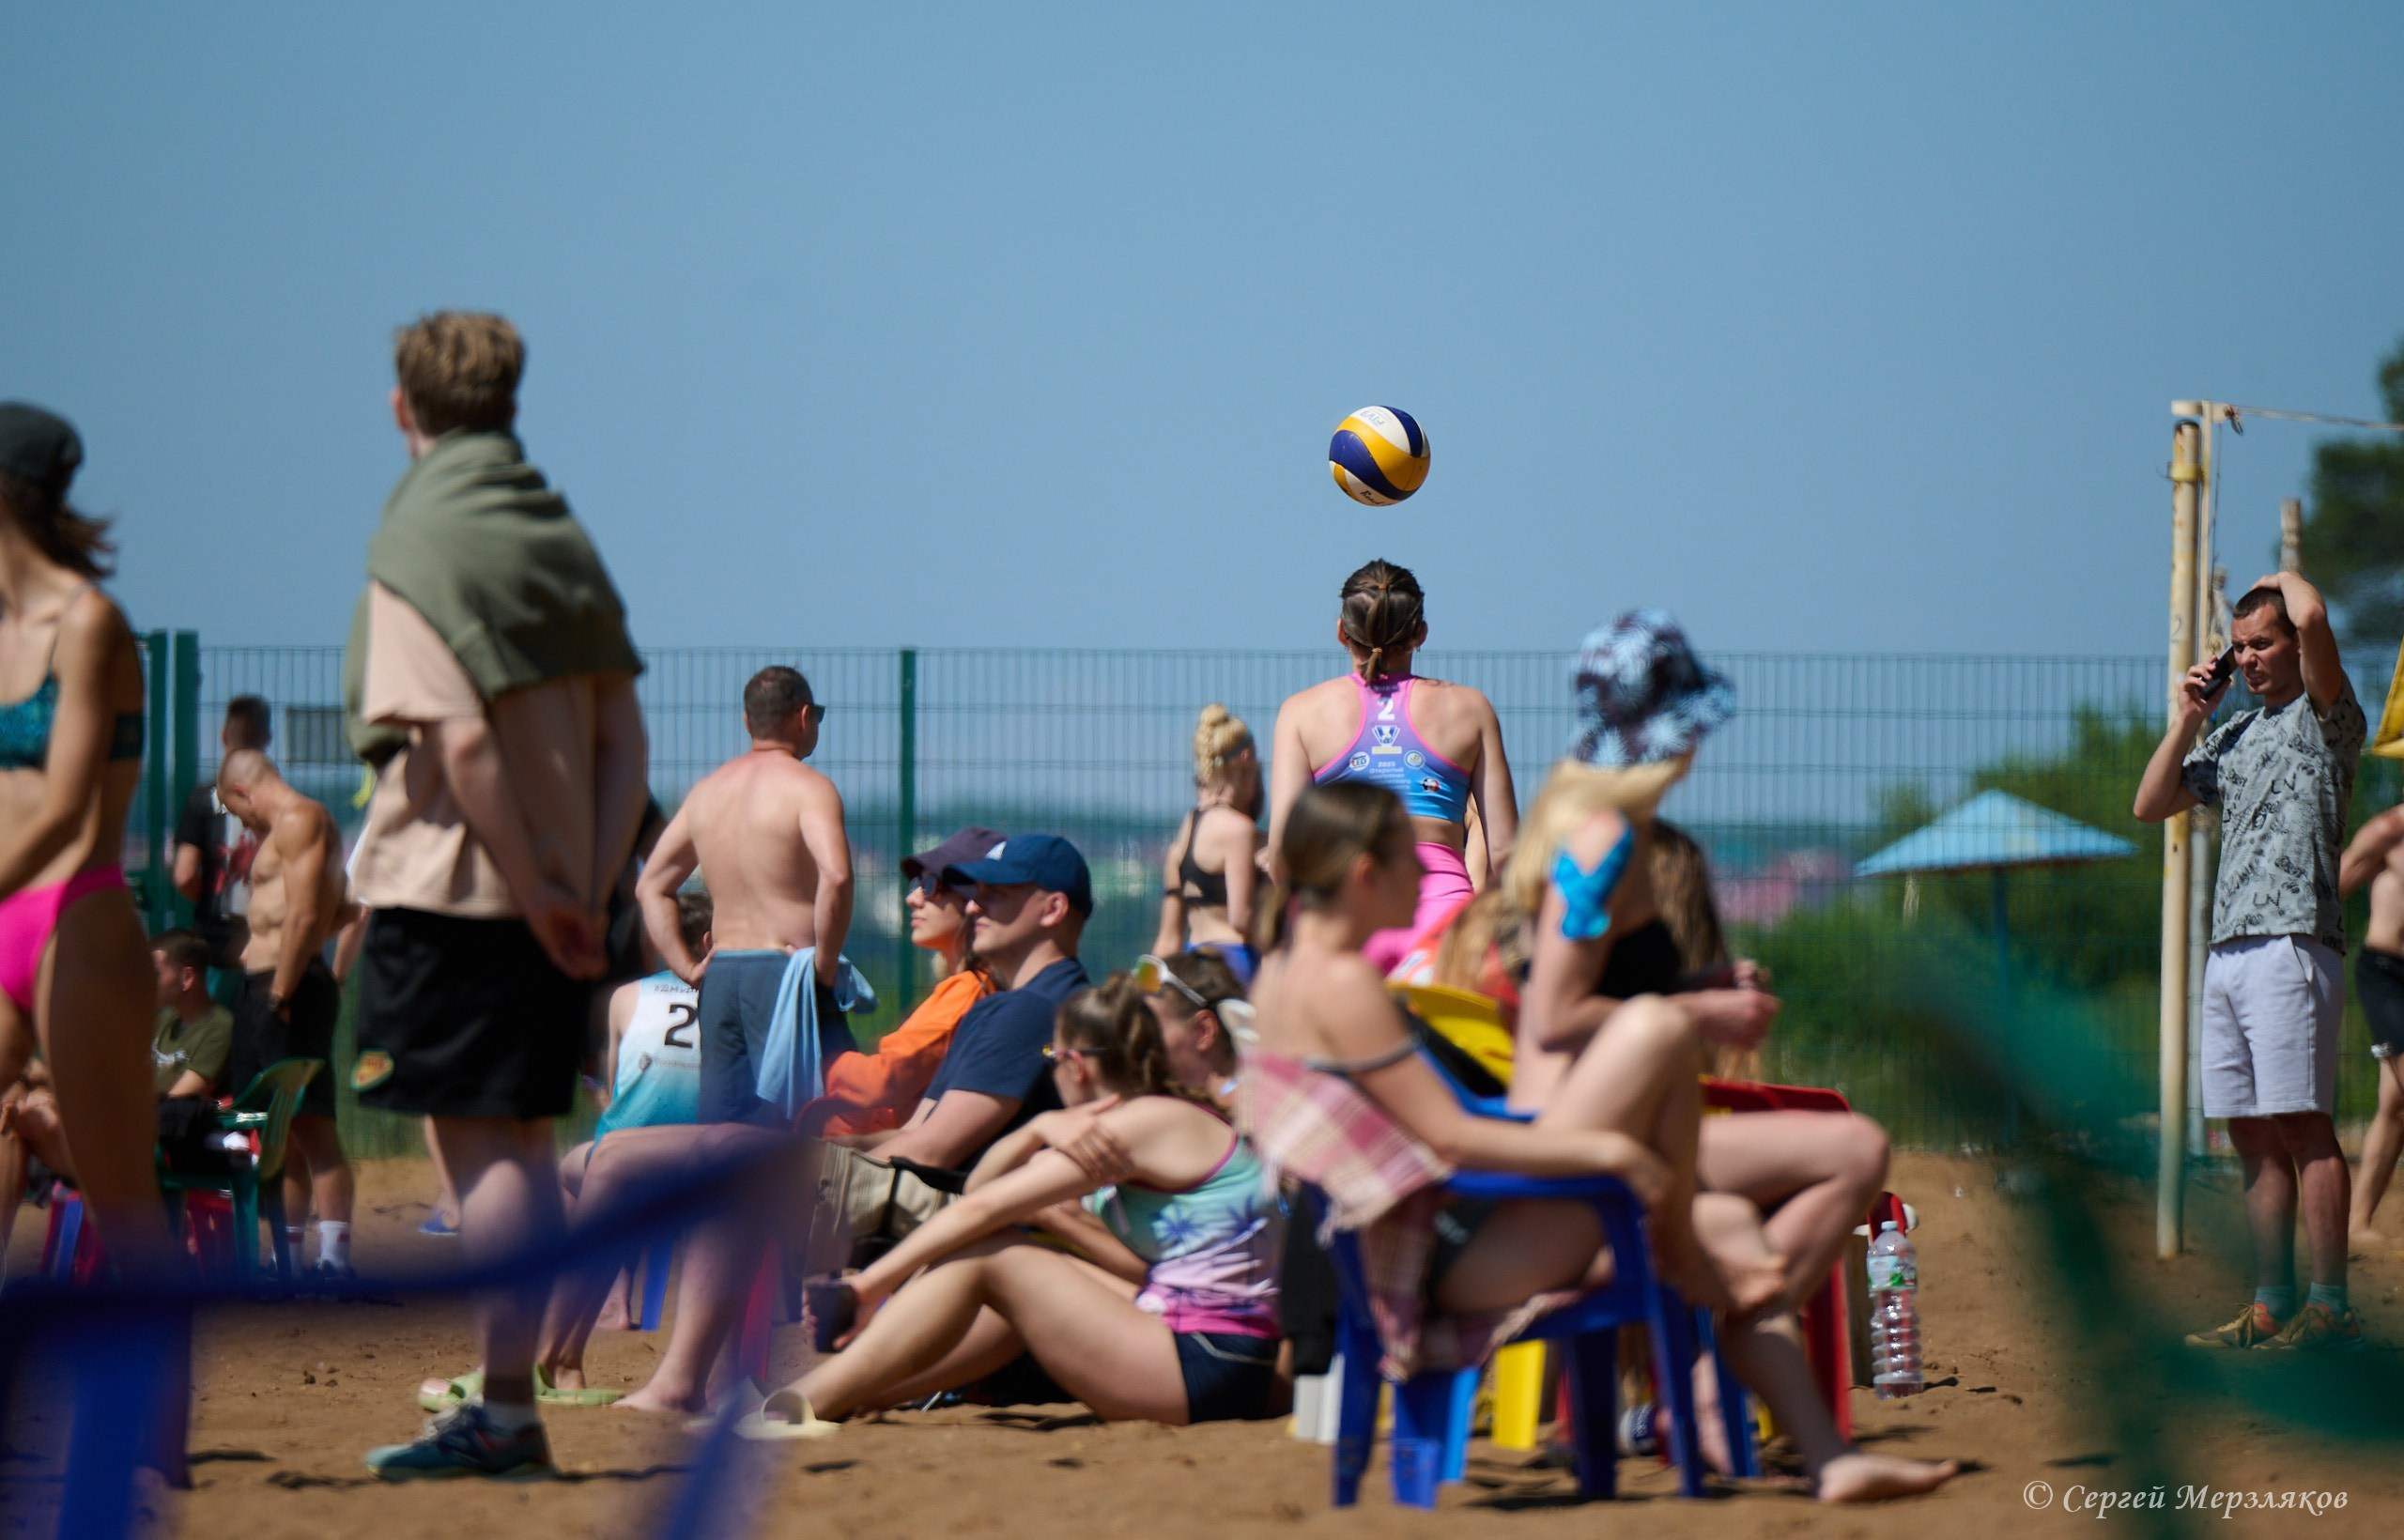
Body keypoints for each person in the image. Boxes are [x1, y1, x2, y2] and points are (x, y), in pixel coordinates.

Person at [1241, 781, 1955, 1503]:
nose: (1429, 873)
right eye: (1411, 859)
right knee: (1660, 1032)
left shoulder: (1282, 974)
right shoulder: (1342, 985)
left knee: (1731, 1224)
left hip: (1443, 1240)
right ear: (1365, 874)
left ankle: (1829, 1459)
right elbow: (1452, 1141)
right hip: (1459, 1253)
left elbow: (1433, 1134)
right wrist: (1616, 1155)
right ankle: (1705, 1300)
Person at [346, 313, 649, 1479]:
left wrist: (536, 891)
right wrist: (579, 878)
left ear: (401, 408)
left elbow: (462, 748)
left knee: (482, 1154)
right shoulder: (558, 532)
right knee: (517, 1142)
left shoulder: (419, 537)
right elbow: (625, 735)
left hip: (449, 892)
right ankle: (508, 1406)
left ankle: (507, 1409)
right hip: (550, 886)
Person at [597, 833, 1093, 1417]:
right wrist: (813, 1149)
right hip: (947, 1192)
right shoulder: (1001, 1004)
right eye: (974, 891)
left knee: (725, 1154)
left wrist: (803, 1166)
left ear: (1053, 909)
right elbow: (924, 1128)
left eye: (997, 893)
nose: (976, 905)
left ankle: (680, 1380)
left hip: (967, 1207)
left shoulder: (1029, 1009)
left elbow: (933, 1149)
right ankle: (697, 1375)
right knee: (706, 1151)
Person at [735, 972, 1286, 1437]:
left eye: (1052, 1056)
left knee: (997, 1257)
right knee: (1018, 1264)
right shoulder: (1144, 1122)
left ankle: (803, 1403)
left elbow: (979, 1209)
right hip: (1223, 1354)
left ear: (1078, 1064)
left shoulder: (1132, 1127)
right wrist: (1037, 1130)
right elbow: (982, 1192)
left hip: (1210, 1363)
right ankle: (843, 1396)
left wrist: (867, 1287)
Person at [2135, 571, 2367, 1351]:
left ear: (2296, 645)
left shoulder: (2326, 715)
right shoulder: (2233, 734)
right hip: (2230, 949)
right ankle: (2271, 1303)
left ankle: (2331, 1305)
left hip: (2294, 940)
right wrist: (2190, 715)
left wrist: (2279, 580)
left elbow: (2315, 612)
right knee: (2249, 1131)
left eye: (2263, 642)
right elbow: (2150, 801)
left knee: (2304, 1124)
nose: (2252, 658)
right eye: (2240, 650)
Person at [0, 401, 175, 1276]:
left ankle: (146, 1411)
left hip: (79, 920)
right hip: (5, 916)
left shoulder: (87, 623)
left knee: (125, 1212)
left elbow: (65, 809)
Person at [1268, 560, 1517, 975]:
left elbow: (1283, 854)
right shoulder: (1469, 708)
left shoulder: (1301, 713)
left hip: (1348, 914)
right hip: (1445, 921)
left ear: (1342, 632)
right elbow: (1506, 852)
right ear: (1420, 633)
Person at [637, 666, 857, 1131]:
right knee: (819, 1126)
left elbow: (651, 886)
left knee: (723, 1137)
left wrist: (686, 966)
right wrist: (824, 966)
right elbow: (836, 876)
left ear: (746, 722)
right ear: (803, 717)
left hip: (722, 976)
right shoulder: (808, 788)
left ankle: (721, 1207)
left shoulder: (706, 794)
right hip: (785, 973)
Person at [0, 928, 232, 1259]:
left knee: (22, 1117)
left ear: (187, 978)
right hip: (113, 1132)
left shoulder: (218, 1025)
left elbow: (178, 1099)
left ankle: (34, 1114)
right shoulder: (165, 1021)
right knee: (16, 1113)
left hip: (149, 1144)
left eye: (154, 971)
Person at [216, 747, 357, 1278]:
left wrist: (280, 994)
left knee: (313, 1126)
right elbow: (335, 907)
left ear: (243, 792)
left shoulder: (302, 819)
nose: (241, 824)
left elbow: (303, 915)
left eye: (237, 812)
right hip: (264, 989)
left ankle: (333, 1263)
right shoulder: (278, 835)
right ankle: (286, 1258)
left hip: (288, 990)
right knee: (278, 1131)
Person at [802, 826, 1006, 1137]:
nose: (912, 898)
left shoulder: (967, 989)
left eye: (930, 885)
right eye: (915, 884)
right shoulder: (972, 985)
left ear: (972, 901)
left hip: (871, 1155)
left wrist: (818, 1063)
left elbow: (885, 1079)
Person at [1156, 704, 1262, 984]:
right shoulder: (1239, 830)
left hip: (1194, 967)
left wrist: (1141, 993)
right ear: (1247, 758)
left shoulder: (1183, 837)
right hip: (1236, 967)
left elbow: (1168, 941)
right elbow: (1242, 919)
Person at [2340, 799, 2404, 1251]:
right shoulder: (2387, 830)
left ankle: (2357, 1223)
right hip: (2387, 975)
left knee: (2396, 1104)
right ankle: (2355, 1223)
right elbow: (2331, 887)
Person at [172, 696, 271, 982]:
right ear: (267, 739)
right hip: (265, 942)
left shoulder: (203, 800)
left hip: (213, 942)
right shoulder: (280, 803)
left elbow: (184, 876)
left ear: (224, 735)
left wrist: (211, 898)